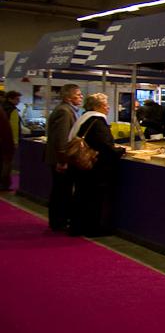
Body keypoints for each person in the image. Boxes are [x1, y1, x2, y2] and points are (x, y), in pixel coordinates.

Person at [68, 94, 124, 237]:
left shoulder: (84, 118)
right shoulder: (98, 122)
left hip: (82, 165)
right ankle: (92, 228)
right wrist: (120, 151)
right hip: (95, 167)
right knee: (94, 198)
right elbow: (105, 146)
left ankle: (77, 225)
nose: (108, 107)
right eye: (106, 104)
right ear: (98, 106)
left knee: (81, 195)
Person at [45, 83, 82, 231]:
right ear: (68, 97)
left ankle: (59, 220)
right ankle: (59, 221)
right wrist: (62, 160)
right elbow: (62, 138)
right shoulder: (65, 112)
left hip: (60, 158)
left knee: (61, 190)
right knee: (61, 191)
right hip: (61, 159)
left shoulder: (66, 110)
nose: (81, 97)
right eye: (78, 95)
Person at [1, 90, 20, 191]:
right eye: (17, 99)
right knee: (7, 163)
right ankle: (4, 184)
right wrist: (15, 141)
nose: (18, 101)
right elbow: (14, 127)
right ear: (10, 99)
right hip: (7, 141)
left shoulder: (2, 108)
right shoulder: (13, 110)